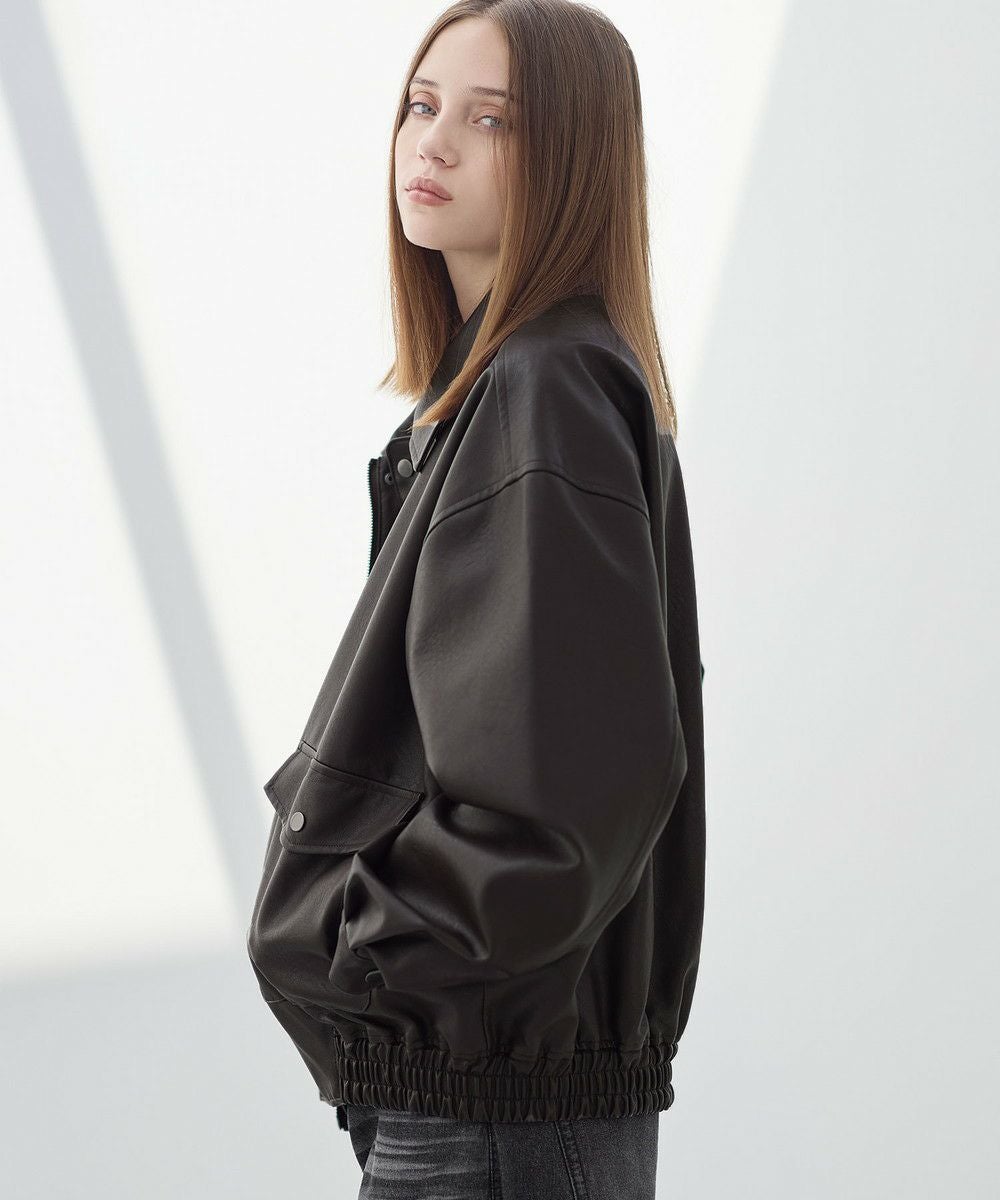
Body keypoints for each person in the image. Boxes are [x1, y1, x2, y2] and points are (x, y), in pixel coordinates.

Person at [246, 2, 706, 1196]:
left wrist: (368, 960)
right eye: (421, 104)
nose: (433, 142)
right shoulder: (502, 389)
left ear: (573, 158)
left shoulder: (543, 390)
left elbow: (568, 802)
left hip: (492, 1114)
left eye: (491, 120)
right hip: (485, 1100)